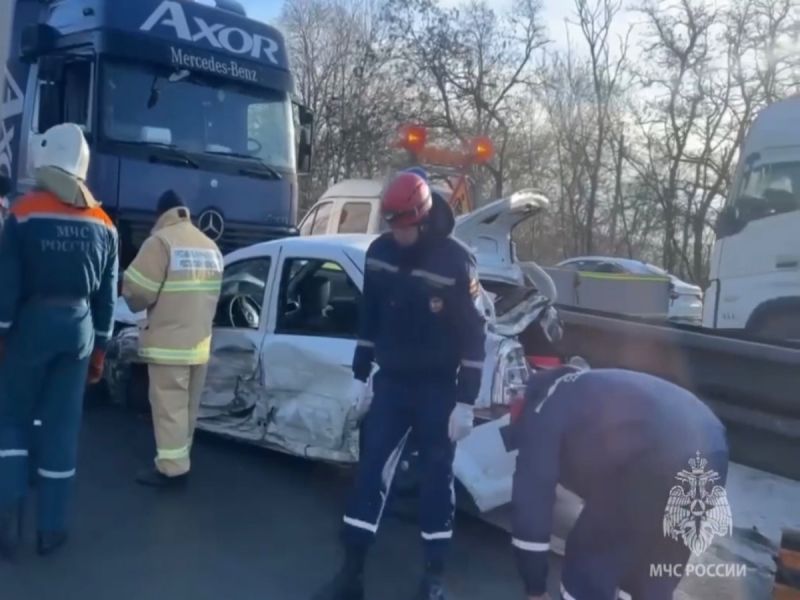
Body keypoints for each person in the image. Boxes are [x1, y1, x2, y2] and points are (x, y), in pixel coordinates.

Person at [314, 172, 487, 600]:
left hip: (437, 390)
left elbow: (473, 335)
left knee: (436, 479)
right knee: (370, 472)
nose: (396, 232)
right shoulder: (379, 253)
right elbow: (369, 318)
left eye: (403, 224)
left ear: (423, 218)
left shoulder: (455, 261)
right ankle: (350, 574)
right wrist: (360, 376)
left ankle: (433, 578)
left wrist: (466, 400)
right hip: (390, 384)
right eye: (390, 223)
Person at [501, 365, 730, 600]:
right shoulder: (592, 386)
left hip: (650, 458)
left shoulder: (544, 407)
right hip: (713, 449)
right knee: (655, 571)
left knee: (588, 567)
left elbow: (531, 503)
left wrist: (535, 588)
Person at [0, 123, 118, 558]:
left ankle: (8, 514)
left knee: (10, 417)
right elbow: (107, 295)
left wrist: (1, 332)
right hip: (80, 328)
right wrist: (101, 348)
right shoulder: (104, 222)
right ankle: (52, 529)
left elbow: (6, 283)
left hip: (32, 322)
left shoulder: (24, 211)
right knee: (62, 427)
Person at [122, 190, 223, 488]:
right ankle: (182, 458)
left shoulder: (161, 242)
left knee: (169, 409)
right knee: (188, 409)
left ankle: (171, 468)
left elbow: (137, 292)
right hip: (200, 345)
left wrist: (132, 299)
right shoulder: (210, 246)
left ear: (160, 214)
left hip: (169, 345)